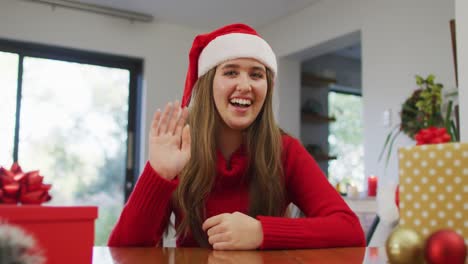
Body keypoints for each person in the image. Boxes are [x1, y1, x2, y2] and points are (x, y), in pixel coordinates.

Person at [108, 23, 365, 250]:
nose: (245, 85)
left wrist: (262, 232)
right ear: (208, 84)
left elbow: (348, 228)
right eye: (231, 72)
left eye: (256, 74)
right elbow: (123, 249)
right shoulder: (180, 148)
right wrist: (159, 174)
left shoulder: (285, 149)